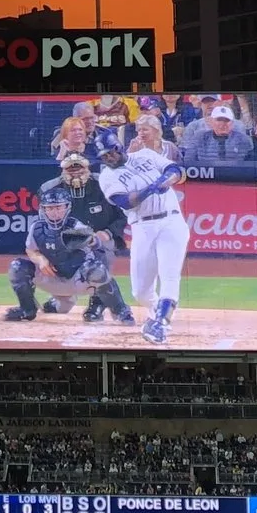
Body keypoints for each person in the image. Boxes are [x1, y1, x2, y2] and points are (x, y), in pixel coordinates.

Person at [97, 116, 188, 343]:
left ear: (118, 147)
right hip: (143, 227)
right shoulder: (107, 176)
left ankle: (161, 323)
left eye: (111, 152)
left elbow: (175, 169)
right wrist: (151, 188)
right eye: (104, 156)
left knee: (169, 274)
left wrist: (166, 179)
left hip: (171, 222)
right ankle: (159, 311)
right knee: (140, 291)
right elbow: (126, 201)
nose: (108, 157)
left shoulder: (145, 155)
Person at [5, 184, 122, 323]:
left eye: (58, 207)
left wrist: (91, 239)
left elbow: (97, 247)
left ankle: (105, 308)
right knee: (17, 266)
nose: (54, 212)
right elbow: (30, 250)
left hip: (78, 281)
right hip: (52, 278)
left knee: (98, 268)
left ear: (67, 208)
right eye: (50, 208)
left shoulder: (77, 227)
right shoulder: (37, 228)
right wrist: (41, 259)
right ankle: (28, 309)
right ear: (43, 209)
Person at [179, 99, 254, 163]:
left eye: (226, 120)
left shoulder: (244, 140)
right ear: (211, 122)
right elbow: (189, 162)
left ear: (232, 123)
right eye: (219, 120)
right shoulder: (199, 138)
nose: (222, 124)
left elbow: (251, 165)